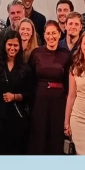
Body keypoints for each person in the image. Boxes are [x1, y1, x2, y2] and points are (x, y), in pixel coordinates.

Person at [0, 30, 33, 155]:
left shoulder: (25, 68)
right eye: (9, 45)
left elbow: (30, 94)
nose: (12, 48)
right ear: (4, 45)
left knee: (16, 152)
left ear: (20, 47)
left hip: (18, 119)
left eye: (15, 45)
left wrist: (15, 97)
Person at [28, 21, 71, 154]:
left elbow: (68, 84)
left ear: (59, 34)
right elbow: (30, 80)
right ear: (44, 35)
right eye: (48, 33)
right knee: (39, 137)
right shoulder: (36, 53)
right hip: (39, 101)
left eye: (54, 33)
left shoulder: (66, 55)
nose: (51, 36)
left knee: (55, 138)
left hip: (58, 103)